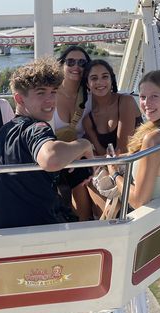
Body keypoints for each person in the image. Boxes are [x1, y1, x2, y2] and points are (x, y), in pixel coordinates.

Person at [0, 57, 94, 229]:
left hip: (4, 230)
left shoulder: (4, 131)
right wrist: (84, 144)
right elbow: (51, 159)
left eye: (53, 92)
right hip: (41, 232)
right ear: (20, 99)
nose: (50, 100)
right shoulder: (36, 127)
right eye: (40, 92)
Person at [108, 70, 160, 209]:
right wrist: (116, 159)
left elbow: (138, 201)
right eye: (142, 97)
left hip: (143, 219)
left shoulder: (152, 140)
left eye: (154, 96)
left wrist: (114, 174)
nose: (146, 103)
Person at [53, 45, 93, 221]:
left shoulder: (90, 96)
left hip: (79, 155)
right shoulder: (49, 94)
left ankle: (84, 223)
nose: (76, 67)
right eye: (70, 62)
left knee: (80, 175)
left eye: (82, 63)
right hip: (52, 152)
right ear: (62, 65)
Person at [81, 59, 142, 156]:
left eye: (105, 77)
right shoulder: (88, 121)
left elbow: (123, 149)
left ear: (111, 79)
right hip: (112, 167)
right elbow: (101, 153)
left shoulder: (126, 101)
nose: (100, 82)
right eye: (94, 78)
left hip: (135, 164)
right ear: (88, 84)